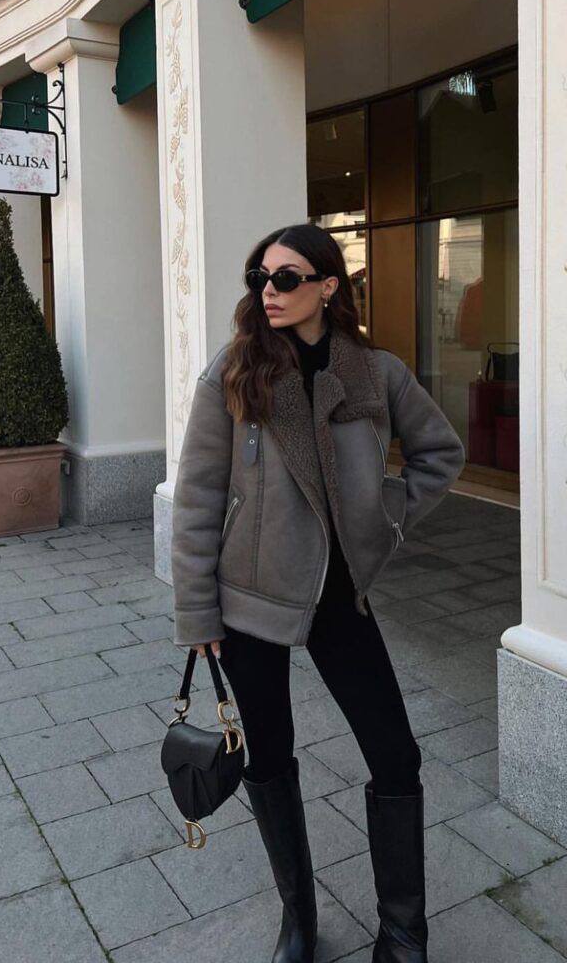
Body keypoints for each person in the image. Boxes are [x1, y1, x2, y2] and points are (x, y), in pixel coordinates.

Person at [170, 223, 466, 963]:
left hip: (341, 600)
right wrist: (197, 613)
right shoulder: (234, 371)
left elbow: (440, 452)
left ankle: (403, 934)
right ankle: (298, 920)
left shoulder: (375, 373)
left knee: (395, 755)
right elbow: (199, 497)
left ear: (328, 287)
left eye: (287, 278)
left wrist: (384, 517)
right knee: (269, 757)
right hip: (249, 601)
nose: (268, 292)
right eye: (260, 277)